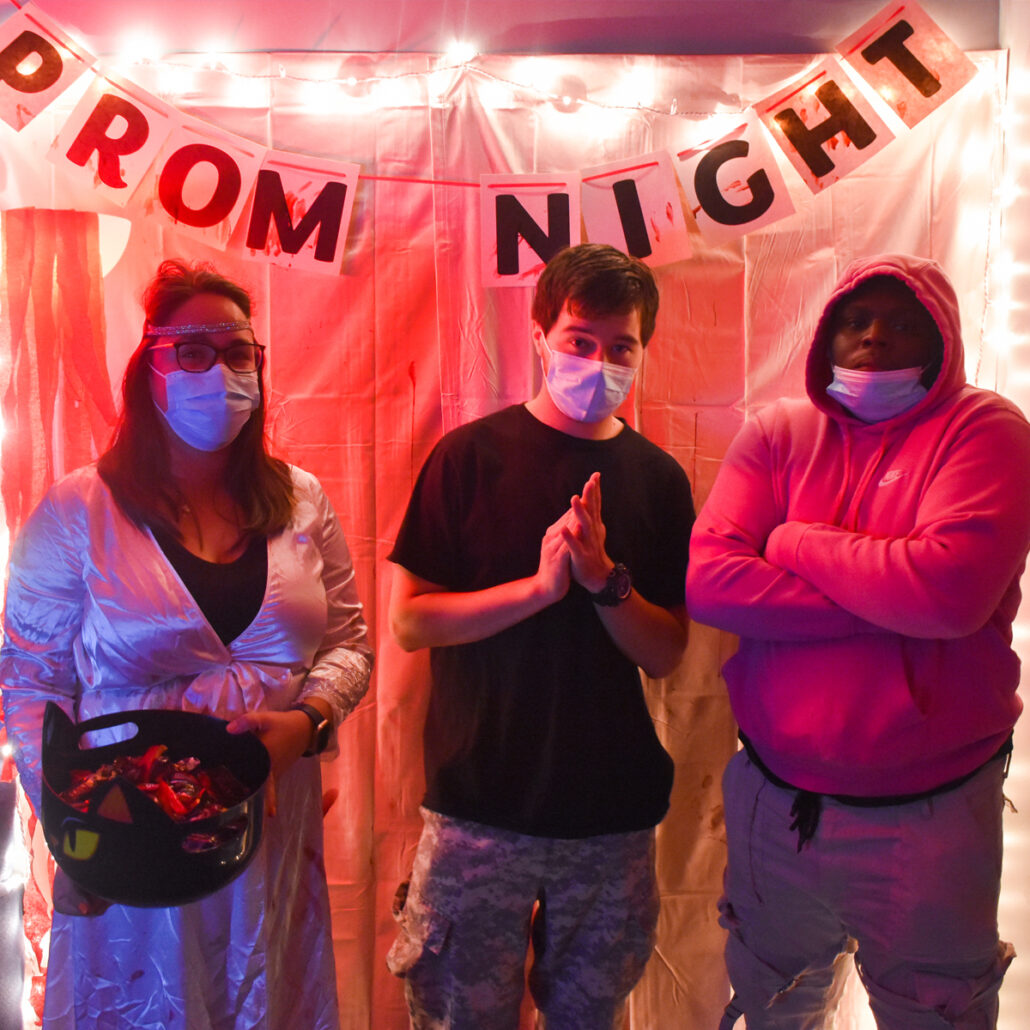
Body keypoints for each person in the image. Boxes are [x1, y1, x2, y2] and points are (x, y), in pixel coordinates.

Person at [0, 260, 373, 1029]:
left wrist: (307, 724)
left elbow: (351, 645)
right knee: (145, 1005)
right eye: (191, 350)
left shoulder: (302, 501)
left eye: (238, 352)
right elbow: (27, 680)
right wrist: (82, 828)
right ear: (150, 369)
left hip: (268, 825)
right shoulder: (80, 511)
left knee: (264, 998)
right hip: (128, 827)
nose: (220, 370)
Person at [685, 253, 1030, 1030]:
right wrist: (892, 594)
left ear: (942, 340)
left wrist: (797, 540)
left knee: (934, 1015)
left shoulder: (988, 431)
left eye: (902, 322)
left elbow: (948, 594)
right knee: (774, 1008)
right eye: (855, 320)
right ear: (825, 337)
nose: (875, 338)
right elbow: (712, 585)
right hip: (774, 805)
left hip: (931, 821)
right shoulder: (777, 432)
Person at [384, 243, 694, 1028]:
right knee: (459, 1015)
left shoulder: (659, 479)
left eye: (620, 346)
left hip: (609, 816)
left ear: (644, 350)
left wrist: (603, 582)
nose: (598, 361)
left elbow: (665, 652)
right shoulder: (469, 458)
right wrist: (537, 590)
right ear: (539, 337)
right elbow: (412, 620)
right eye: (579, 341)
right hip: (479, 807)